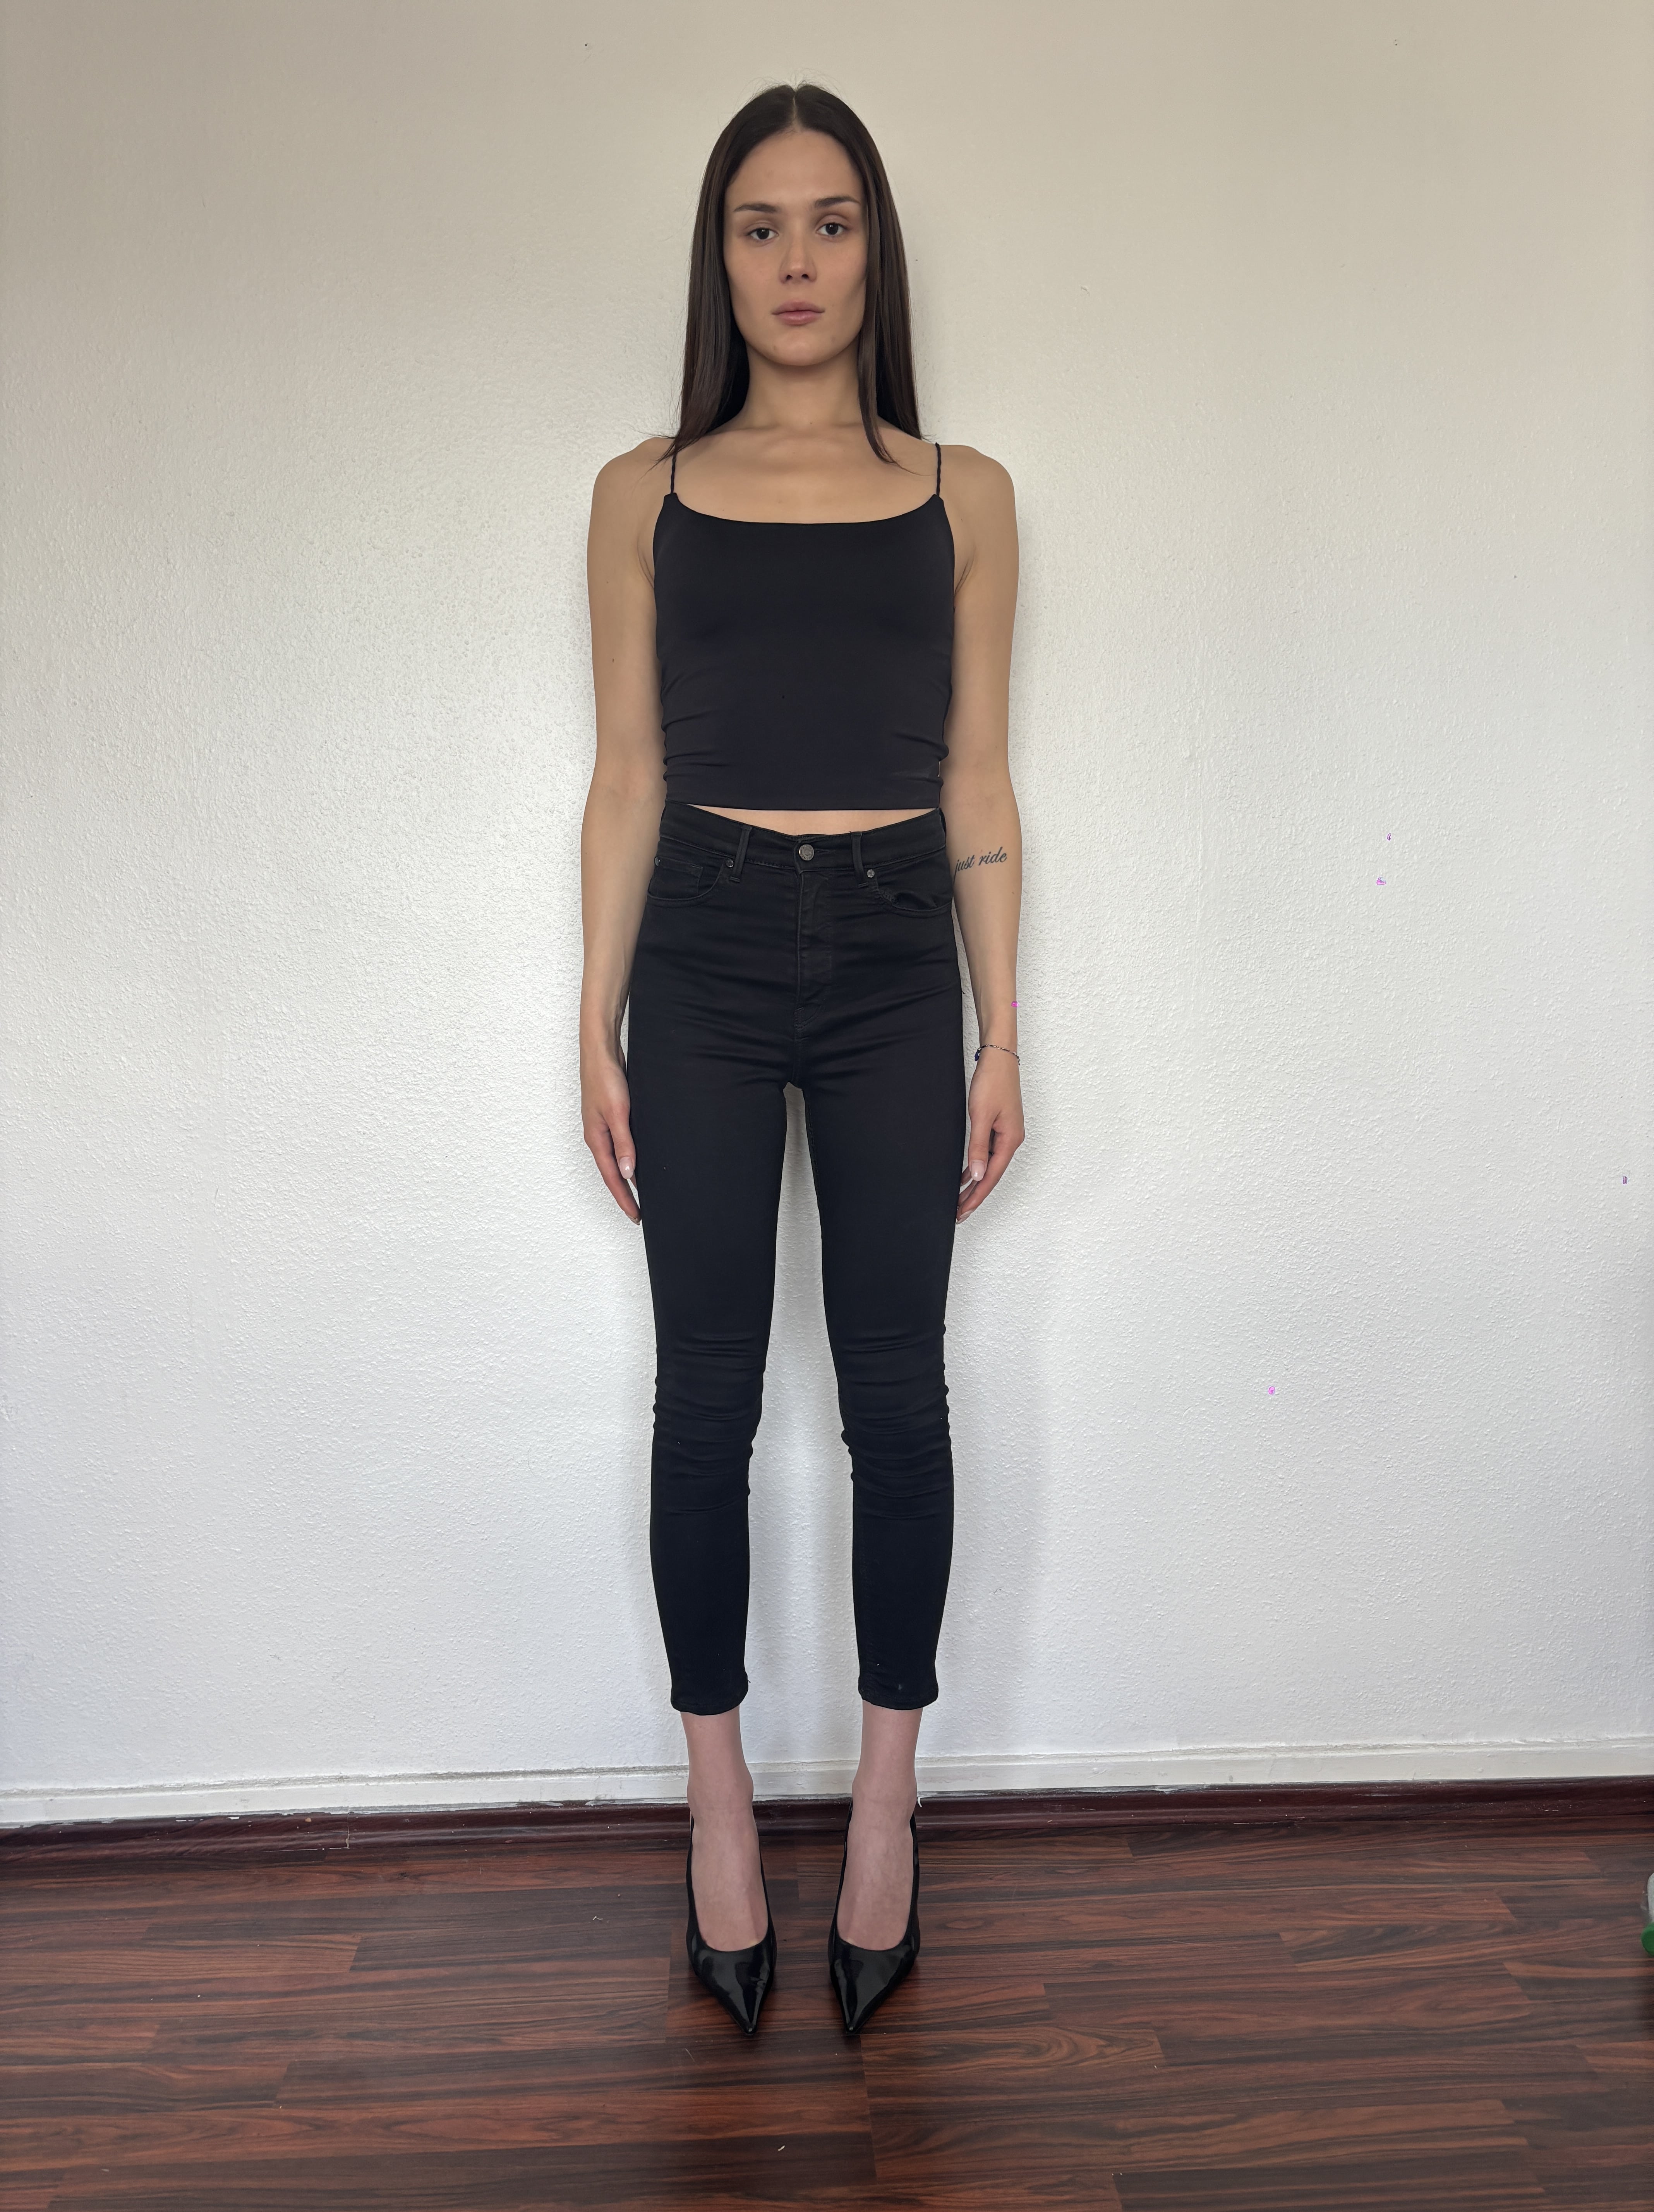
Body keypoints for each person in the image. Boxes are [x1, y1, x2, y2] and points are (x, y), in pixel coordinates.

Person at [580, 82, 1022, 2036]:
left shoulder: (965, 493)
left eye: (831, 222)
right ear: (720, 255)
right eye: (759, 225)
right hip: (698, 948)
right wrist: (592, 1019)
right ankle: (721, 1812)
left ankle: (889, 1814)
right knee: (705, 1400)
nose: (796, 261)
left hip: (898, 960)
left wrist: (1006, 1026)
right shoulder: (643, 491)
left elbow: (979, 777)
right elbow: (627, 774)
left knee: (898, 1400)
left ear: (874, 250)